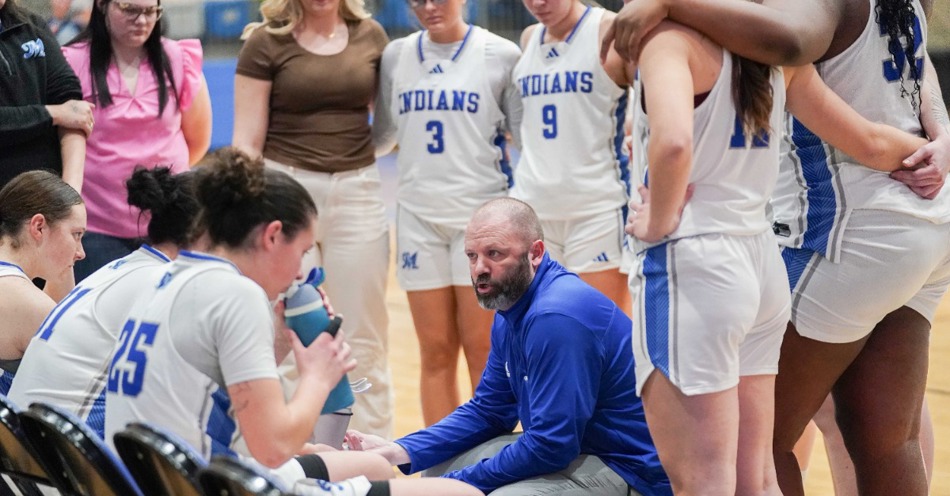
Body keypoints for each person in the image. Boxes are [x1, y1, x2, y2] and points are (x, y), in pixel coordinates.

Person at [605, 1, 950, 494]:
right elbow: (903, 95)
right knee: (886, 437)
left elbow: (786, 45)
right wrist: (939, 140)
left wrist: (666, 2)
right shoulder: (766, 44)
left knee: (751, 449)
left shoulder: (751, 41)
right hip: (921, 214)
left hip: (840, 231)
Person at [102, 148, 482, 496]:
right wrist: (318, 377)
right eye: (302, 252)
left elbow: (221, 399)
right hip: (214, 482)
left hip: (160, 477)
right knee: (463, 494)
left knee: (372, 463)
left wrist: (282, 341)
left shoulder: (169, 275)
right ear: (271, 236)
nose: (301, 269)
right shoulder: (236, 294)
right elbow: (272, 447)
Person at [345, 198, 671, 496]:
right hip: (581, 452)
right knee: (439, 467)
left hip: (628, 470)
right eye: (472, 256)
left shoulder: (555, 317)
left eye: (495, 254)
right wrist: (397, 449)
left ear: (536, 252)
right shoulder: (511, 306)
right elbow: (490, 411)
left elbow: (551, 445)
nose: (479, 269)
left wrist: (457, 485)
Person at [233, 0, 393, 437]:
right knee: (291, 331)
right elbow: (246, 141)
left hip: (358, 193)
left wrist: (349, 163)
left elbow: (387, 126)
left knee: (365, 336)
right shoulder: (266, 42)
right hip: (284, 195)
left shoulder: (372, 36)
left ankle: (373, 452)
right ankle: (293, 453)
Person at [371, 0, 521, 426]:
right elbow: (383, 136)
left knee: (484, 351)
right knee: (434, 352)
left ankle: (491, 469)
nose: (429, 7)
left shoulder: (501, 54)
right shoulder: (397, 55)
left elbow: (526, 138)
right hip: (419, 218)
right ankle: (441, 470)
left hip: (482, 221)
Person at [9, 165, 199, 438]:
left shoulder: (124, 268)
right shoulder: (164, 282)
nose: (81, 253)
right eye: (76, 235)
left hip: (29, 450)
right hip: (52, 458)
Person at [65, 0, 212, 281]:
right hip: (97, 225)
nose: (142, 20)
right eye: (130, 10)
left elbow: (198, 140)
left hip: (170, 221)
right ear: (103, 6)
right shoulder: (72, 62)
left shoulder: (178, 58)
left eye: (150, 12)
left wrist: (161, 185)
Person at [509, 0, 632, 312]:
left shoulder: (610, 30)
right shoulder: (528, 38)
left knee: (597, 334)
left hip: (597, 211)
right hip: (533, 212)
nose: (537, 3)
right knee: (543, 331)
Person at [0, 170, 86, 393]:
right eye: (76, 234)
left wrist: (65, 257)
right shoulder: (28, 303)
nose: (81, 253)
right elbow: (81, 383)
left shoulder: (24, 298)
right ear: (39, 227)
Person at [0, 0, 91, 191]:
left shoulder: (31, 25)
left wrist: (71, 193)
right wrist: (53, 114)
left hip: (44, 198)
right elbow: (66, 112)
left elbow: (73, 107)